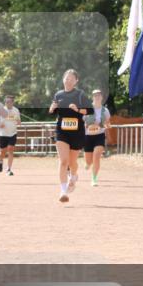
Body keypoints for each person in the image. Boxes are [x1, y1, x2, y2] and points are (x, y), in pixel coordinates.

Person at [49, 69, 90, 202]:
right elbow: (51, 112)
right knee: (63, 161)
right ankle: (63, 191)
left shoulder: (80, 94)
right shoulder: (58, 94)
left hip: (77, 132)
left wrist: (77, 109)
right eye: (67, 78)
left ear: (76, 81)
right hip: (62, 131)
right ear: (63, 79)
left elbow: (89, 111)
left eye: (72, 78)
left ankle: (74, 176)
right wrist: (52, 108)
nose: (68, 80)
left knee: (72, 162)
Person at [83, 89, 110, 186]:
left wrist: (105, 126)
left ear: (102, 97)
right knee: (89, 161)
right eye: (95, 95)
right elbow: (81, 122)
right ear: (92, 97)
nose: (97, 97)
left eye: (99, 95)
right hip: (88, 136)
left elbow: (108, 123)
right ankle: (88, 163)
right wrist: (87, 125)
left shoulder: (105, 110)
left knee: (97, 156)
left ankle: (94, 179)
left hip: (99, 135)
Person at [0, 94, 21, 175]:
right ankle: (0, 162)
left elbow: (19, 121)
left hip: (12, 133)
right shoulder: (1, 110)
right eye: (6, 102)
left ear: (12, 102)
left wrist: (18, 122)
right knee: (3, 151)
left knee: (10, 149)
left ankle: (9, 169)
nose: (7, 103)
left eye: (9, 102)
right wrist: (0, 125)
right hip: (3, 134)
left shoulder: (16, 110)